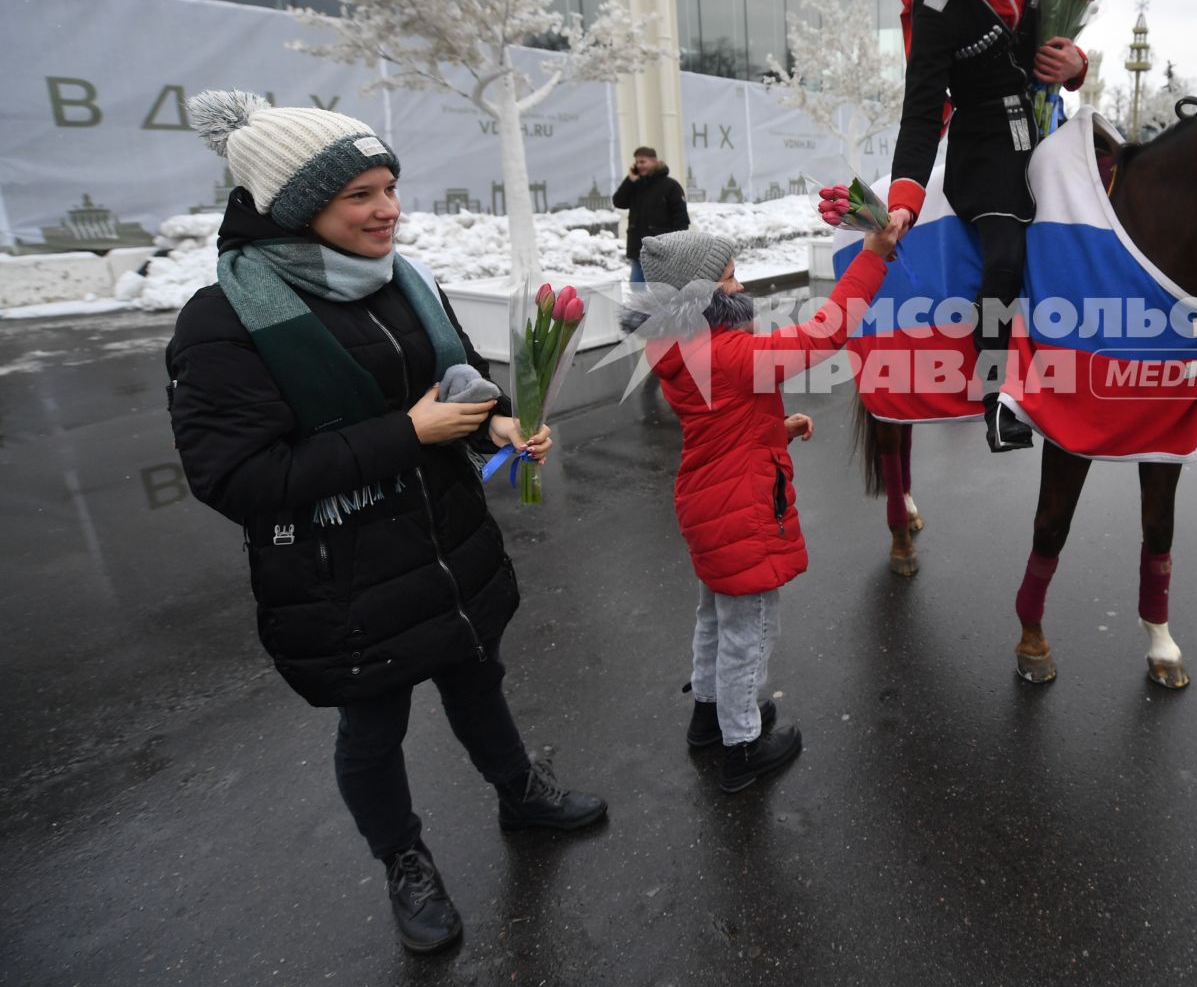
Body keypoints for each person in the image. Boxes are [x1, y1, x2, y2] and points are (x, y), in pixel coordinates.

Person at [165, 92, 605, 956]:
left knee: (480, 678)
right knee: (373, 728)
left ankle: (520, 792)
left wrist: (498, 424)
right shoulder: (224, 322)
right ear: (295, 207)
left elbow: (462, 384)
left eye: (389, 186)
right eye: (360, 194)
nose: (388, 209)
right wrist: (406, 435)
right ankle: (404, 858)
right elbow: (236, 476)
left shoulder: (405, 281)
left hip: (446, 545)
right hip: (341, 577)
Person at [631, 222, 895, 792]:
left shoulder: (680, 346)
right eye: (727, 277)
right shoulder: (727, 352)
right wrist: (873, 257)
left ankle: (710, 716)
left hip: (709, 498)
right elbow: (822, 335)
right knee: (750, 629)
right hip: (741, 506)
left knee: (715, 617)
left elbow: (724, 419)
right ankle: (743, 744)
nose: (740, 283)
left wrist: (776, 424)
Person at [862, 0, 1087, 453]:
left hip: (1047, 126)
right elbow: (920, 113)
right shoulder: (934, 8)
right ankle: (997, 400)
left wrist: (1076, 66)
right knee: (1007, 254)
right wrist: (905, 201)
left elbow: (1064, 50)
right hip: (983, 145)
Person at [613, 145, 690, 284]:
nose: (639, 165)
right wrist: (629, 180)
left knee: (661, 292)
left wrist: (674, 247)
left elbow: (681, 221)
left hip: (661, 252)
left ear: (654, 161)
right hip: (638, 250)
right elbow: (618, 202)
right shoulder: (635, 185)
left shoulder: (671, 186)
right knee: (637, 290)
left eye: (643, 162)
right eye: (636, 162)